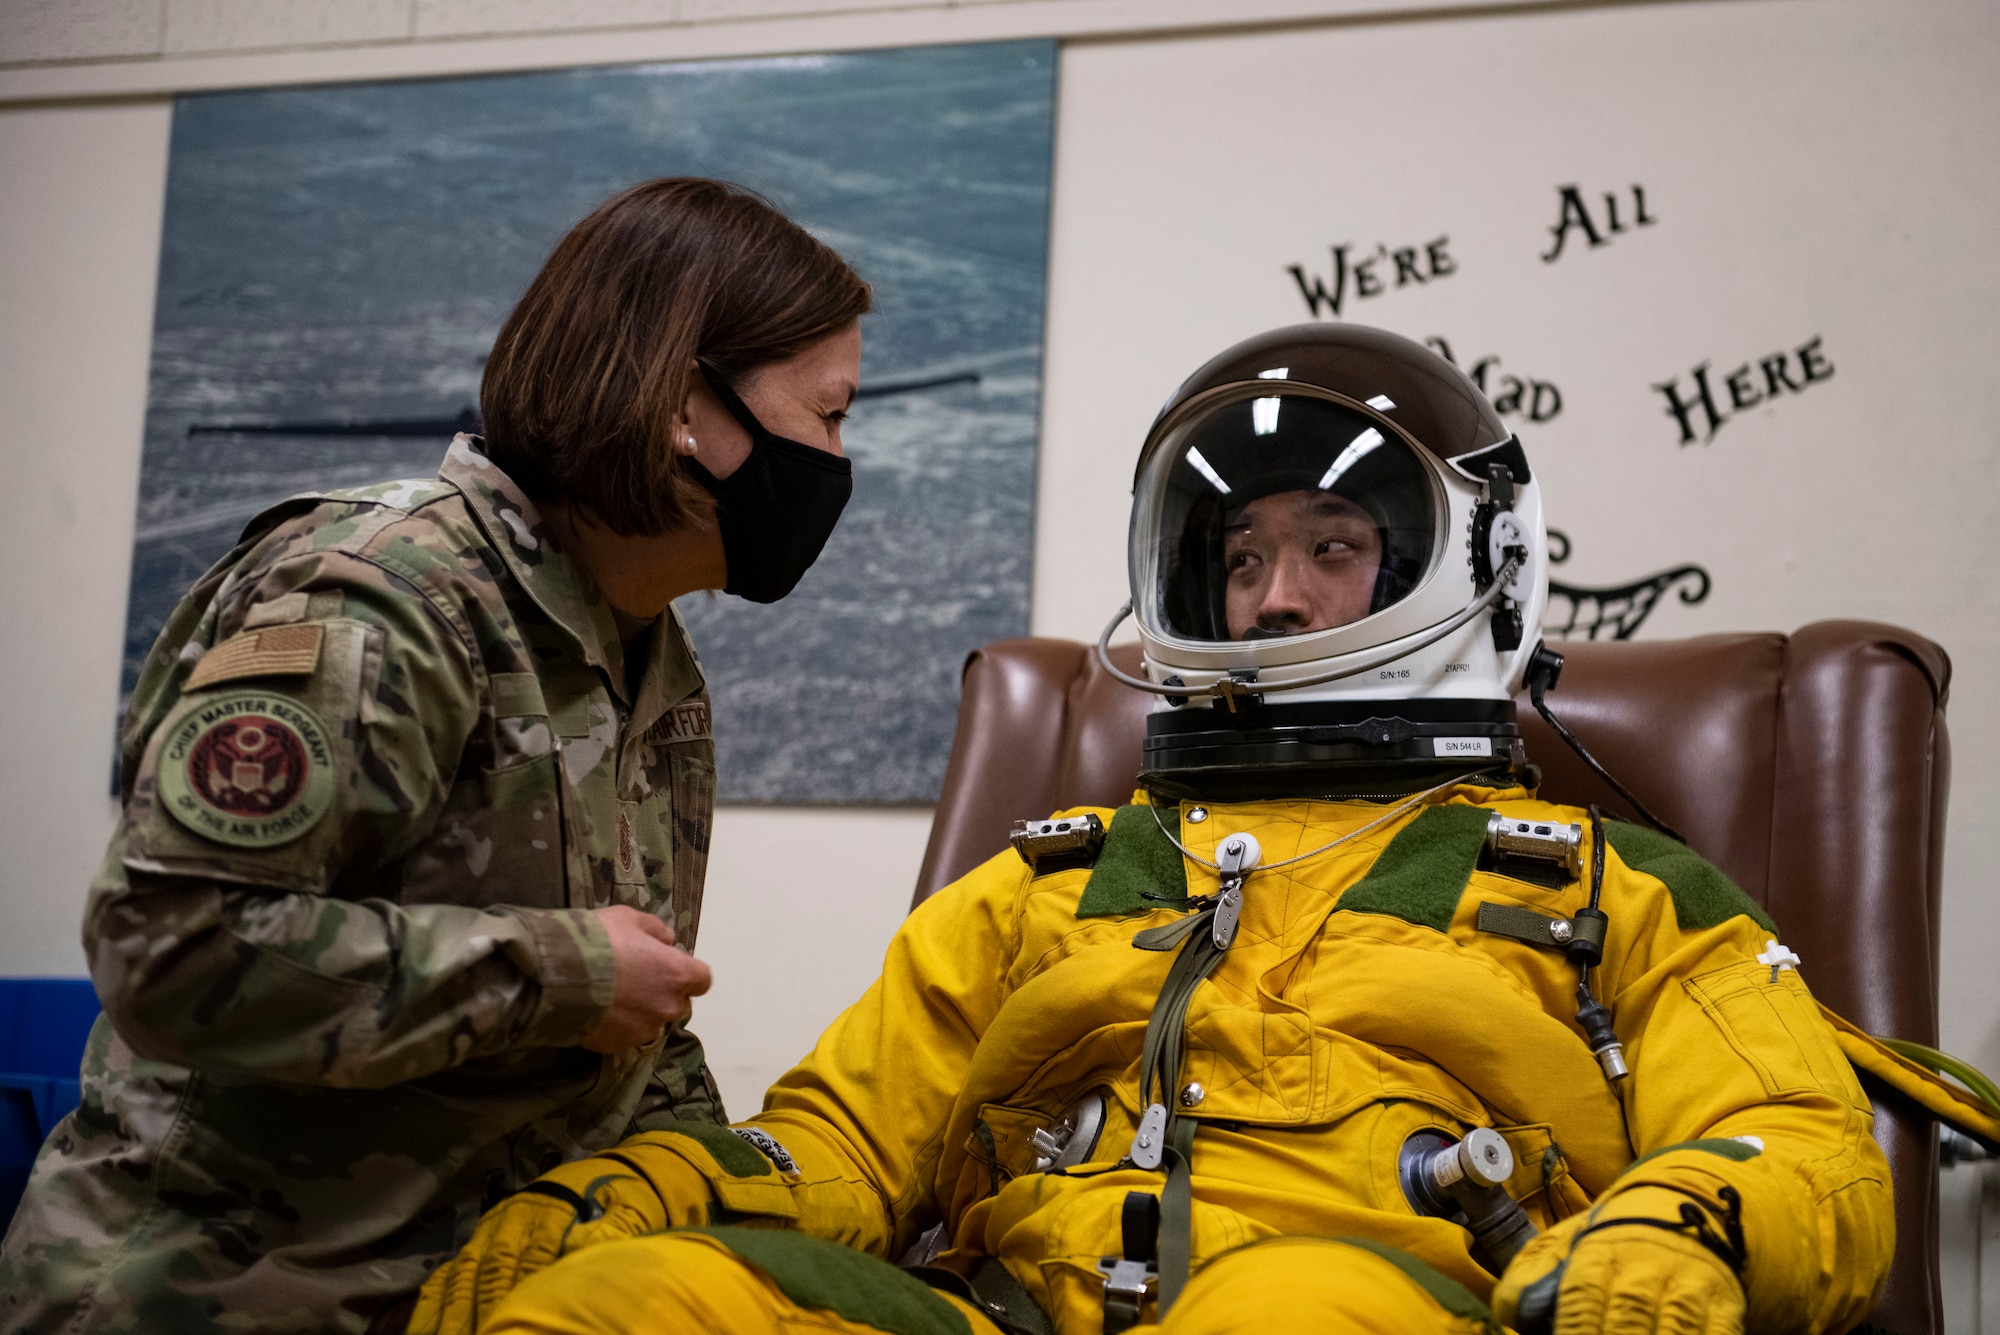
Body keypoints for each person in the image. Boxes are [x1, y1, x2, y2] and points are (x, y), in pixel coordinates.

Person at [409, 324, 1994, 1335]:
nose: (1279, 594)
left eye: (1333, 547)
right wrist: (663, 1187)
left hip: (1380, 1291)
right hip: (1018, 1301)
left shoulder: (1604, 882)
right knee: (627, 1298)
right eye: (1242, 555)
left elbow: (1795, 1139)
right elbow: (848, 1134)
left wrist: (1678, 1225)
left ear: (1466, 563)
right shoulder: (1058, 873)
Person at [0, 177, 870, 1334]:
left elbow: (622, 1034)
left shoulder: (644, 655)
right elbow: (174, 947)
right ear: (682, 406)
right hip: (225, 1297)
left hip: (466, 1292)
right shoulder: (383, 597)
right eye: (831, 413)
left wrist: (739, 1211)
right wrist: (565, 973)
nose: (835, 457)